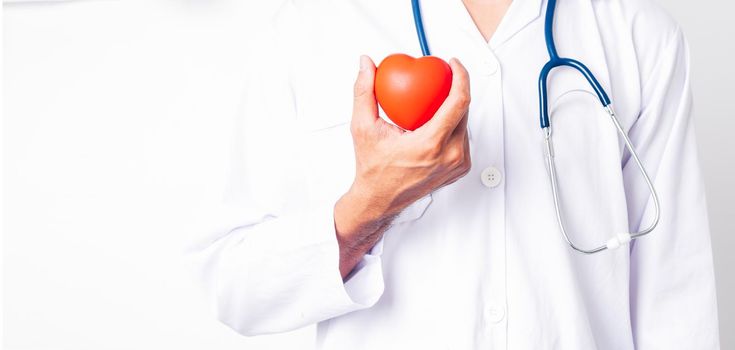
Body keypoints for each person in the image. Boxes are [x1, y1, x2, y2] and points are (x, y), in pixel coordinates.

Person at [190, 0, 720, 348]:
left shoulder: (637, 33)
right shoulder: (309, 29)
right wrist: (367, 209)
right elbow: (233, 283)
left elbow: (676, 299)